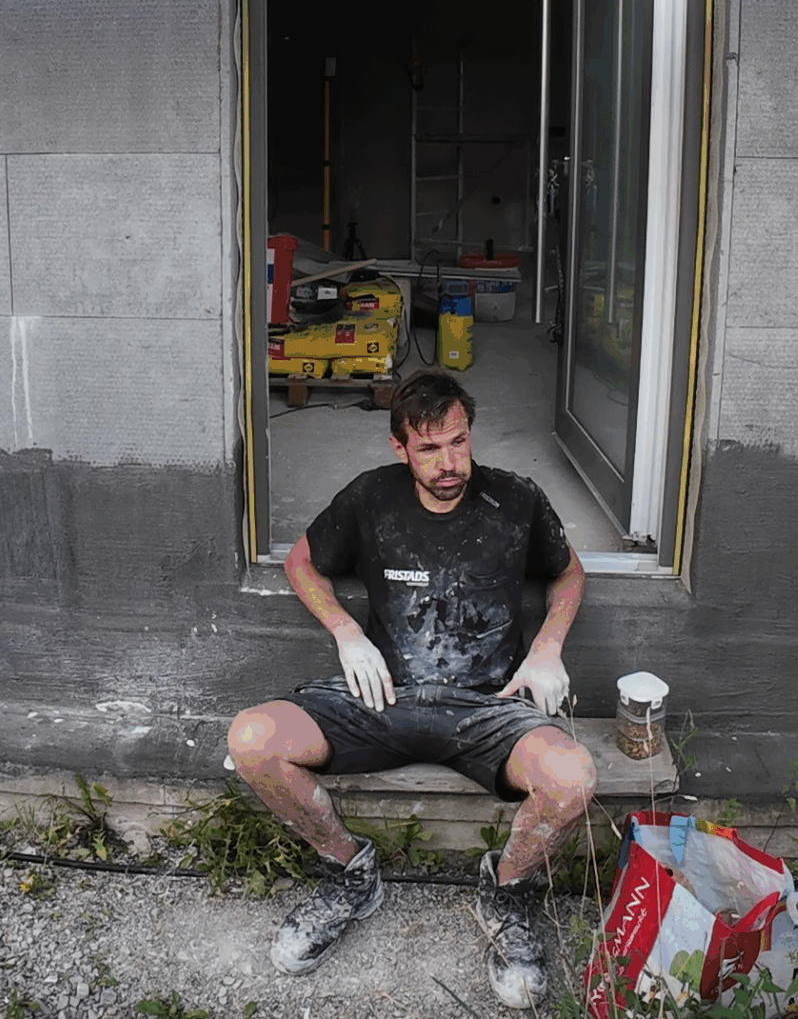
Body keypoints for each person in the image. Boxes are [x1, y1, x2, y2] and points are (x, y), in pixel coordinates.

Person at [226, 369, 594, 1009]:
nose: (450, 463)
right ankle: (348, 872)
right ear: (400, 447)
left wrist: (548, 646)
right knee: (252, 740)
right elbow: (300, 561)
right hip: (380, 698)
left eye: (459, 442)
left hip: (489, 708)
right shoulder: (371, 498)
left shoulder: (516, 499)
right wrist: (345, 632)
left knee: (572, 778)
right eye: (430, 449)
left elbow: (568, 574)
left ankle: (505, 895)